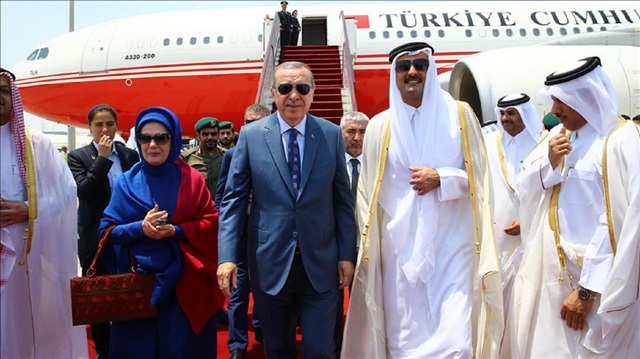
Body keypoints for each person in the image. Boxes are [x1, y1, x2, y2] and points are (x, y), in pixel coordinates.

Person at [341, 42, 503, 358]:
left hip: (452, 246)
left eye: (420, 64)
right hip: (399, 255)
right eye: (404, 66)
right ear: (394, 74)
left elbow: (482, 179)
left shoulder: (459, 115)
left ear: (430, 69)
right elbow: (368, 196)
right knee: (403, 342)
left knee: (456, 341)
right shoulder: (380, 126)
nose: (412, 72)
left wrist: (442, 178)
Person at [217, 61, 357, 359]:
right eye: (285, 88)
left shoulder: (331, 134)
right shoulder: (251, 136)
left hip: (320, 262)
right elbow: (233, 201)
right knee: (278, 348)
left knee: (319, 348)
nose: (294, 95)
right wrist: (227, 257)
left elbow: (342, 200)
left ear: (313, 93)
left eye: (302, 88)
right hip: (269, 263)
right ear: (273, 93)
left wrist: (346, 253)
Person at [506, 56, 640, 358]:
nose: (553, 111)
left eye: (561, 101)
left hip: (598, 284)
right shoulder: (559, 135)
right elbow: (524, 186)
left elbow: (620, 220)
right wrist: (551, 162)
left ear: (586, 96)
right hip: (554, 276)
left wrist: (586, 292)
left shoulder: (620, 141)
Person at [97, 106, 222, 358]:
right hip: (138, 288)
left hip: (184, 287)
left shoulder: (193, 179)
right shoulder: (126, 182)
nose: (152, 144)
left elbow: (211, 223)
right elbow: (107, 231)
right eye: (145, 138)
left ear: (174, 139)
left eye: (161, 137)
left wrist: (175, 231)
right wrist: (140, 228)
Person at [0, 67, 88, 358]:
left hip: (26, 262)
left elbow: (66, 195)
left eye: (3, 90)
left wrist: (29, 210)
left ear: (13, 97)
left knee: (22, 330)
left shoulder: (36, 143)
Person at [66, 103, 139, 358]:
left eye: (109, 123)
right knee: (98, 299)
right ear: (90, 129)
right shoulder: (78, 157)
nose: (105, 129)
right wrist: (102, 160)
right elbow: (85, 191)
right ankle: (103, 351)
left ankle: (127, 345)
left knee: (128, 292)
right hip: (94, 240)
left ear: (117, 126)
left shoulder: (129, 156)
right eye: (99, 125)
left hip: (127, 237)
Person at [483, 93, 541, 346]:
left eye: (512, 113)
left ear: (525, 114)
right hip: (498, 233)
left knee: (529, 298)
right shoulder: (488, 144)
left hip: (535, 233)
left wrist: (526, 219)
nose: (505, 119)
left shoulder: (544, 144)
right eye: (502, 113)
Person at [217, 103, 271, 359]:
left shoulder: (276, 153)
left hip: (267, 234)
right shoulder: (231, 155)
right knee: (238, 292)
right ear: (243, 126)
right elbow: (222, 198)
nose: (254, 127)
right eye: (249, 122)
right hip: (240, 234)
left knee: (267, 286)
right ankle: (237, 343)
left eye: (259, 122)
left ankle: (261, 328)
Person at [335, 110, 369, 357]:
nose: (357, 138)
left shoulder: (380, 165)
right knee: (333, 308)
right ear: (341, 134)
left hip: (369, 247)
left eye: (363, 132)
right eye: (351, 131)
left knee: (369, 304)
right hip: (336, 248)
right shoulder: (329, 164)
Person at [182, 116, 227, 195]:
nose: (210, 137)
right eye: (205, 134)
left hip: (222, 205)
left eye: (213, 134)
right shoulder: (187, 158)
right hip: (199, 205)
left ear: (218, 135)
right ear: (198, 136)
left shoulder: (227, 156)